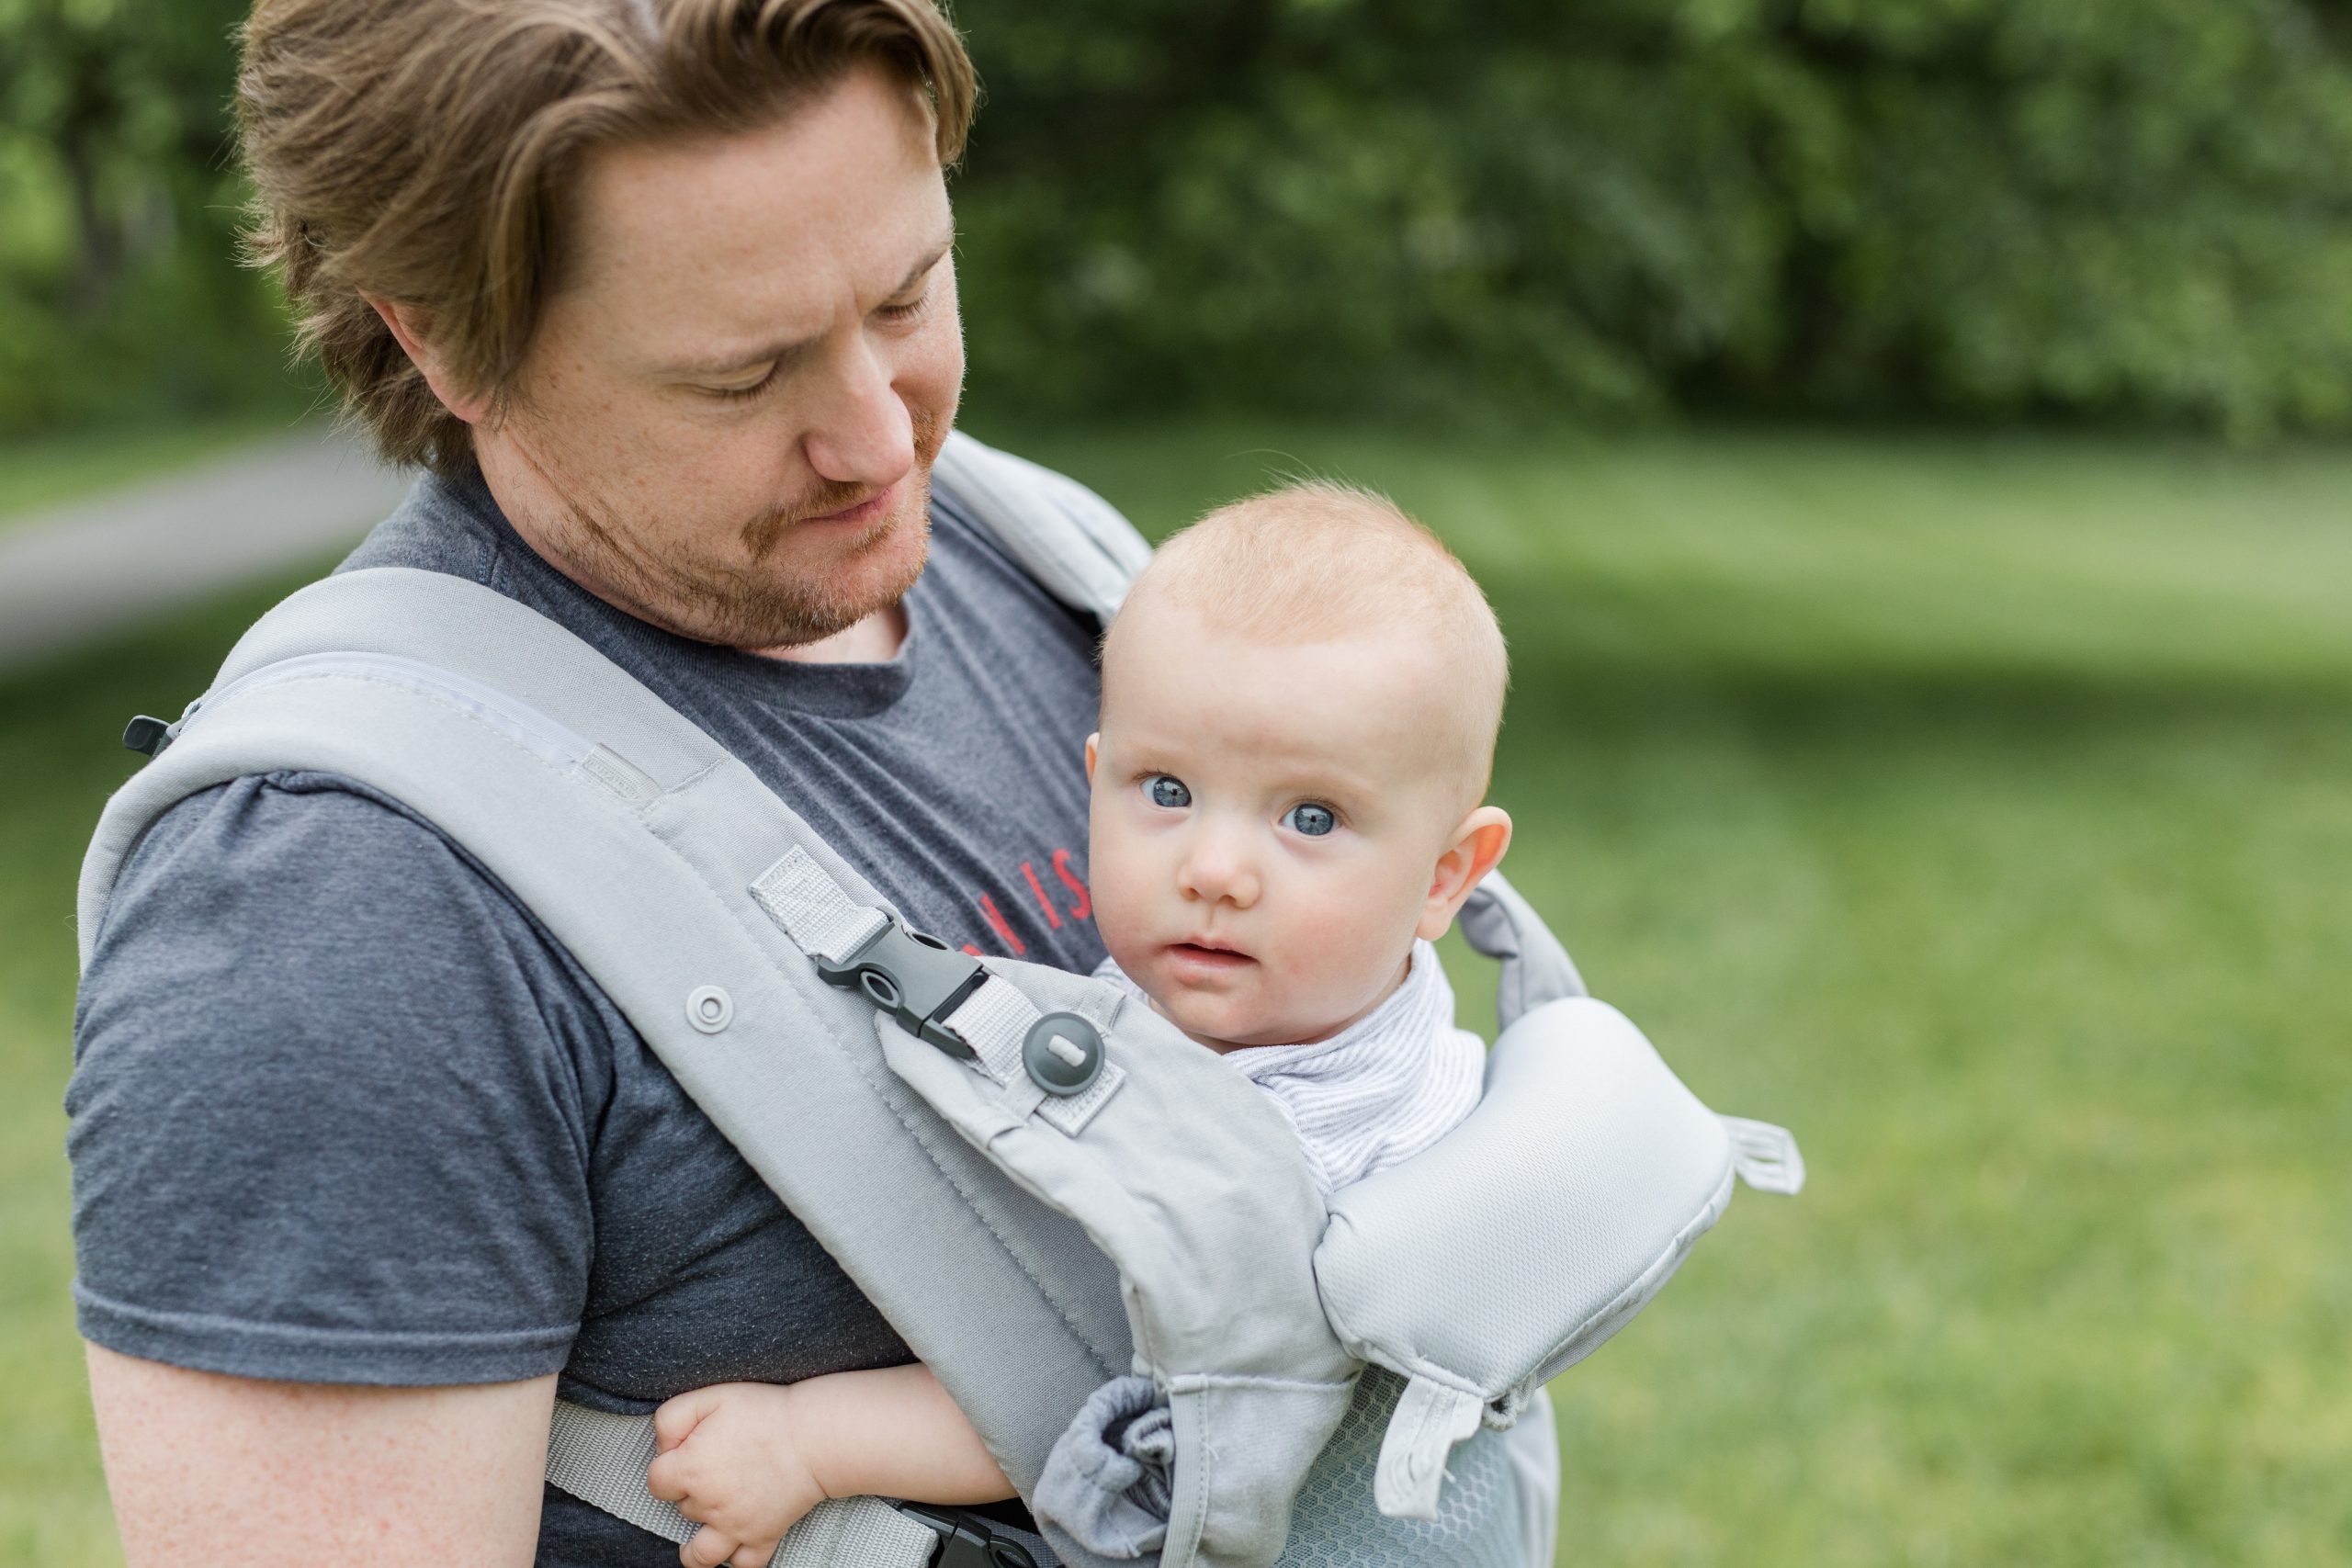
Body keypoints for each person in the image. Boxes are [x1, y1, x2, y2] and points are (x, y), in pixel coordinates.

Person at [65, 5, 1115, 1565]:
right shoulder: (333, 919)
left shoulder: (1042, 560)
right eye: (742, 375)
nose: (883, 436)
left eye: (906, 292)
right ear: (438, 336)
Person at [638, 483, 1515, 1567]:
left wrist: (810, 1443)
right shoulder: (1330, 1000)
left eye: (1310, 818)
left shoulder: (1298, 1156)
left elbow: (1094, 1384)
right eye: (1167, 790)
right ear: (1094, 780)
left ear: (1447, 876)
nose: (1214, 871)